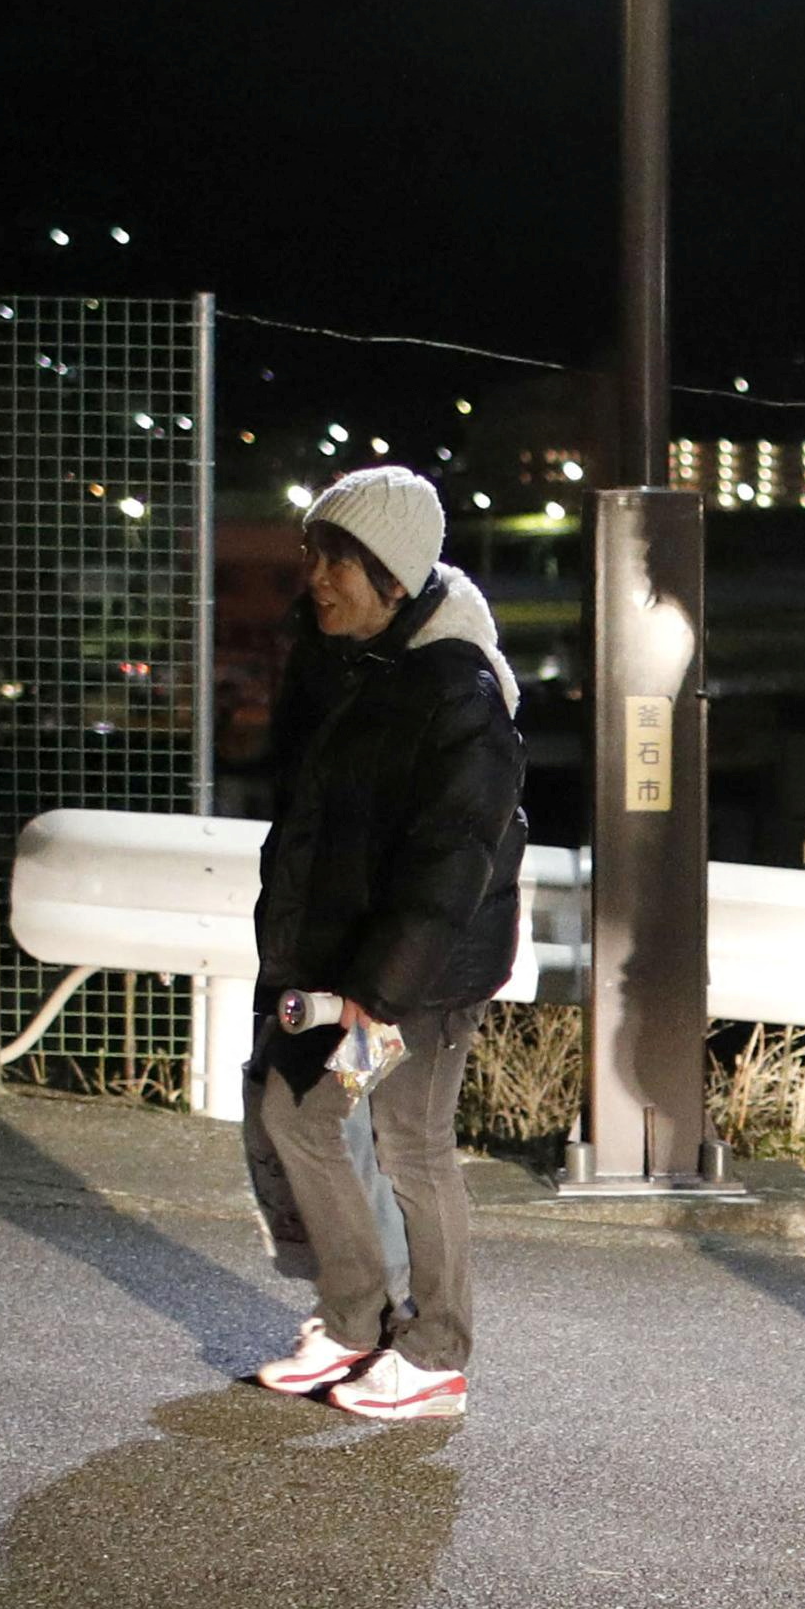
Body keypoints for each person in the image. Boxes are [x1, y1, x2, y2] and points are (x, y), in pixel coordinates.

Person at [242, 466, 526, 1423]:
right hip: (345, 967)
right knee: (300, 1117)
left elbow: (453, 858)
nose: (315, 577)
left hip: (420, 981)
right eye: (313, 555)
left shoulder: (458, 687)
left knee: (410, 1140)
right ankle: (356, 1320)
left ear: (394, 576)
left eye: (338, 561)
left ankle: (438, 1353)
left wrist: (383, 987)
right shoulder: (345, 665)